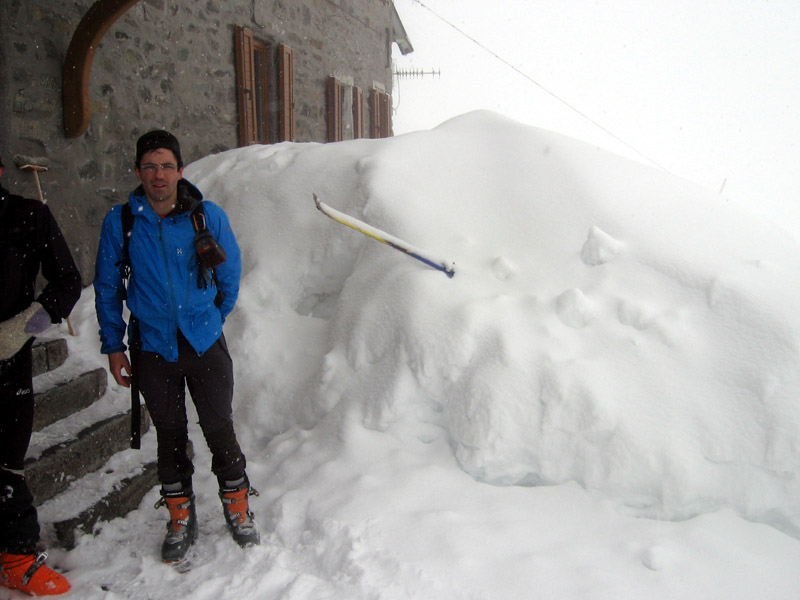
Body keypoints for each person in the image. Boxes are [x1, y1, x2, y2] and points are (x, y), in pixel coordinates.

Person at [93, 130, 258, 565]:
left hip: (204, 343)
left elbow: (230, 274)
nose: (159, 174)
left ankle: (237, 506)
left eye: (167, 166)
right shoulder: (122, 222)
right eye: (150, 166)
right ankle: (180, 515)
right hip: (152, 348)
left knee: (219, 427)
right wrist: (114, 345)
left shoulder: (207, 216)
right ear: (138, 172)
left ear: (180, 171)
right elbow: (108, 287)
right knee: (169, 435)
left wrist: (211, 318)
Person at [0, 155, 81, 596]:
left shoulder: (26, 216)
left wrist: (25, 326)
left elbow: (67, 280)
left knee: (6, 463)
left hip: (7, 363)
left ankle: (16, 557)